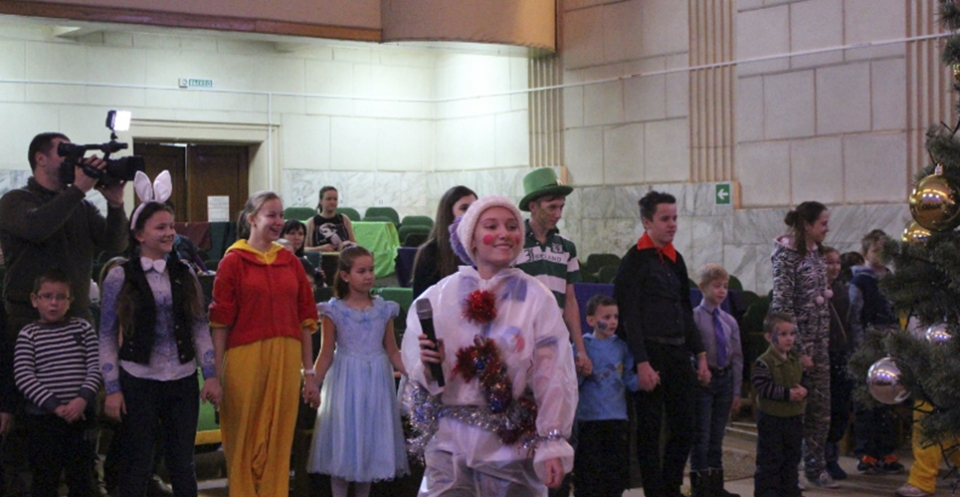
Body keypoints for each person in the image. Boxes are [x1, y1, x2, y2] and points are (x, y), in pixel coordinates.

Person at [401, 195, 577, 496]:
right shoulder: (439, 297)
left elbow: (553, 374)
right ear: (471, 237)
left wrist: (552, 440)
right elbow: (420, 377)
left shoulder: (537, 298)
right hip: (450, 445)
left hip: (511, 449)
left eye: (511, 226)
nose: (504, 234)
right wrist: (432, 366)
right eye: (491, 226)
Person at [0, 131, 127, 495]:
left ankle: (86, 479)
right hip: (28, 324)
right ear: (40, 158)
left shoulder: (80, 205)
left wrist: (116, 204)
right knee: (30, 428)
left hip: (76, 324)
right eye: (64, 152)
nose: (72, 159)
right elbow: (37, 228)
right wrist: (79, 189)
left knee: (81, 421)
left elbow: (113, 244)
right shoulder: (15, 201)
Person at [98, 171, 222, 496]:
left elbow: (199, 326)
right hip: (138, 380)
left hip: (182, 379)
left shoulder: (185, 273)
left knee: (183, 463)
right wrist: (112, 388)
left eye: (171, 226)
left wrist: (210, 375)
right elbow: (107, 336)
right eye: (160, 228)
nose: (169, 233)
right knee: (137, 462)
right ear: (139, 234)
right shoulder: (119, 276)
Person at [209, 191, 319, 496]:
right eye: (271, 214)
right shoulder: (233, 261)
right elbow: (220, 323)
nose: (279, 221)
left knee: (279, 438)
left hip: (287, 358)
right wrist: (214, 375)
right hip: (245, 358)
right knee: (244, 438)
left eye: (281, 215)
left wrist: (309, 373)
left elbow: (306, 321)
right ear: (252, 219)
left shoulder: (291, 262)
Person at [613, 190, 710, 497]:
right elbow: (629, 316)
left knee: (685, 425)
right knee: (650, 429)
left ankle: (671, 486)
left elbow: (685, 308)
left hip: (678, 351)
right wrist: (641, 362)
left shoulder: (675, 259)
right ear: (647, 222)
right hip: (649, 353)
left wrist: (700, 353)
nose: (672, 224)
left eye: (675, 218)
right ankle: (654, 491)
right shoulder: (633, 261)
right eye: (665, 218)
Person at [305, 246, 408, 496]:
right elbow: (326, 352)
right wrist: (313, 382)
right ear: (345, 275)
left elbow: (392, 350)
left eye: (371, 270)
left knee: (369, 445)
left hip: (376, 381)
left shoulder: (383, 309)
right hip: (345, 381)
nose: (368, 276)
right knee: (344, 443)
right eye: (361, 271)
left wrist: (413, 372)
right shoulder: (334, 310)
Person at [13, 269, 100, 497]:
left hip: (81, 416)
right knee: (44, 479)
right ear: (35, 300)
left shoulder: (83, 328)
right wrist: (55, 406)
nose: (54, 303)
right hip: (43, 420)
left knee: (82, 479)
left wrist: (82, 400)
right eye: (47, 296)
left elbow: (95, 367)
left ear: (70, 301)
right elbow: (24, 376)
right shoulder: (28, 334)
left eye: (61, 297)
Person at [770, 200, 836, 489]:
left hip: (819, 345)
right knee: (792, 412)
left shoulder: (818, 253)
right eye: (823, 223)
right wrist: (798, 350)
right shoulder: (787, 256)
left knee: (820, 411)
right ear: (807, 225)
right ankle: (788, 473)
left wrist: (819, 345)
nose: (827, 228)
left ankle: (815, 469)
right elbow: (782, 305)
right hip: (794, 348)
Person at [514, 168, 591, 378]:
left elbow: (570, 300)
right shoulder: (514, 243)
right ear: (533, 206)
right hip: (521, 338)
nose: (558, 214)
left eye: (561, 207)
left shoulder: (567, 246)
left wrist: (580, 349)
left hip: (555, 339)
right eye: (552, 207)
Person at [849, 229, 904, 475]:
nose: (881, 254)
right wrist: (861, 347)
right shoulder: (859, 282)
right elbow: (854, 318)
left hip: (890, 346)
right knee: (866, 401)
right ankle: (866, 452)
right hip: (868, 346)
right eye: (876, 250)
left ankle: (886, 451)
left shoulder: (891, 278)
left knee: (888, 399)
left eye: (885, 250)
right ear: (865, 253)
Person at [573, 295, 637, 497]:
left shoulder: (622, 347)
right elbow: (572, 383)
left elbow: (628, 378)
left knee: (615, 470)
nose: (613, 322)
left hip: (616, 417)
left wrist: (642, 382)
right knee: (588, 470)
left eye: (615, 317)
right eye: (607, 317)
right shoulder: (582, 346)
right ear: (591, 320)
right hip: (589, 419)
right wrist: (581, 372)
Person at [690, 263, 743, 497]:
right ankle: (700, 487)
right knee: (701, 434)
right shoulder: (694, 317)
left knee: (717, 435)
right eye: (716, 286)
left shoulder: (729, 321)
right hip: (704, 381)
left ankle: (716, 485)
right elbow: (689, 350)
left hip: (725, 379)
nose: (722, 291)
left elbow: (737, 356)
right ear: (703, 287)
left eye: (725, 286)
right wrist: (697, 370)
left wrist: (737, 390)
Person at [751, 312, 809, 497]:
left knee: (792, 458)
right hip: (772, 419)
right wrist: (788, 394)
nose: (789, 339)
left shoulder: (796, 359)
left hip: (793, 418)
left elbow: (805, 380)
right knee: (770, 459)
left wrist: (805, 390)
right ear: (769, 337)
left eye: (792, 334)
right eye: (783, 334)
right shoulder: (764, 362)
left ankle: (790, 490)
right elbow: (762, 387)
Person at [411, 185, 477, 298]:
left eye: (475, 208)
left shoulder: (482, 249)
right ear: (448, 214)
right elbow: (423, 301)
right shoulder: (430, 252)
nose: (472, 214)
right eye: (464, 208)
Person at [823, 246, 854, 481]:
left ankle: (832, 456)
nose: (834, 267)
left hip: (842, 354)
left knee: (841, 408)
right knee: (823, 410)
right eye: (829, 263)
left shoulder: (843, 290)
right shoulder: (810, 290)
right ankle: (821, 458)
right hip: (822, 356)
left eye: (837, 263)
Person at [305, 186, 356, 253]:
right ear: (321, 201)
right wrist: (319, 249)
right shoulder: (312, 222)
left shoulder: (344, 219)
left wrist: (348, 244)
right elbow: (304, 249)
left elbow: (355, 245)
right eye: (328, 199)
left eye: (335, 199)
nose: (332, 202)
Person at [282, 219, 324, 288]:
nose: (297, 238)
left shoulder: (307, 261)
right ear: (281, 236)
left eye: (301, 234)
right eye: (292, 233)